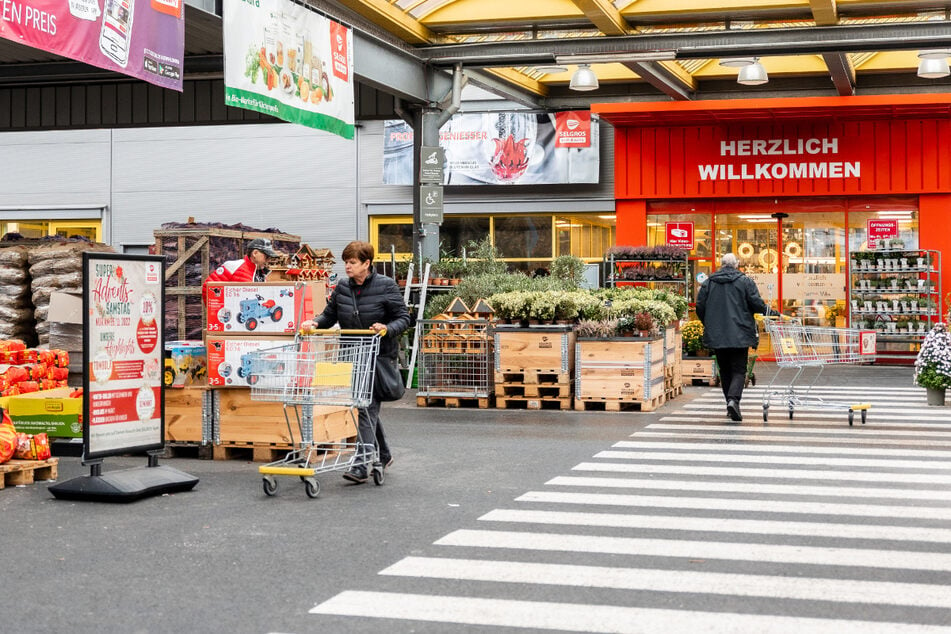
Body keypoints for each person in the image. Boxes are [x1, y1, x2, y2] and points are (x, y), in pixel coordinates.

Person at [301, 241, 410, 484]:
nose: (347, 267)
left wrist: (386, 328)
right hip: (352, 355)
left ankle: (360, 465)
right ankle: (383, 454)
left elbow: (403, 318)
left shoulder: (386, 286)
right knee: (363, 405)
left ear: (366, 264)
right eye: (346, 262)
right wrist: (315, 323)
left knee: (366, 406)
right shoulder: (342, 287)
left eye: (352, 263)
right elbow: (330, 315)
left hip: (378, 355)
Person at [696, 252, 771, 422]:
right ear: (736, 264)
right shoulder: (745, 281)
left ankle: (730, 405)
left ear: (721, 264)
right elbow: (756, 304)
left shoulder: (709, 282)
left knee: (725, 371)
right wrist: (771, 312)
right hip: (740, 333)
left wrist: (709, 323)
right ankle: (733, 400)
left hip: (717, 334)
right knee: (739, 369)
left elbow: (700, 305)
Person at [204, 238, 279, 287]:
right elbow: (207, 288)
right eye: (266, 257)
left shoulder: (262, 275)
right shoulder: (233, 266)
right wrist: (220, 310)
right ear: (255, 253)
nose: (268, 260)